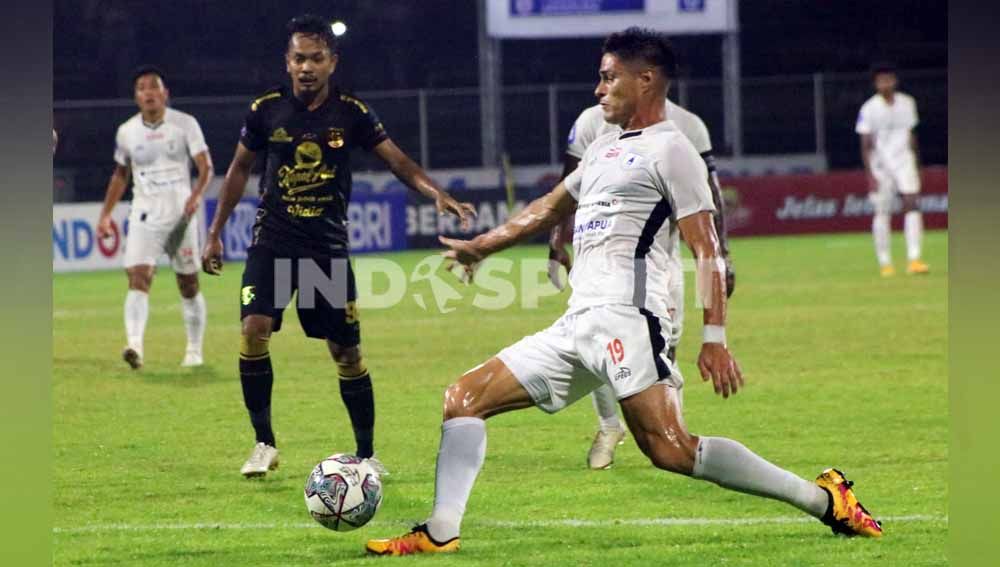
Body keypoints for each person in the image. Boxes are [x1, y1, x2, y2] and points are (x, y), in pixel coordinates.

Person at [366, 27, 881, 556]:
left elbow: (706, 249)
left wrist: (716, 337)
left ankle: (826, 501)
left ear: (646, 79)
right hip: (577, 322)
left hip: (631, 318)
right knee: (463, 399)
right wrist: (483, 247)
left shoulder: (673, 150)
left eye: (609, 77)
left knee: (672, 450)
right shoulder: (603, 150)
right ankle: (440, 532)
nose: (599, 89)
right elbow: (548, 207)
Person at [202, 15, 475, 479]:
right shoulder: (266, 110)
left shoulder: (351, 112)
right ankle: (264, 443)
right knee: (253, 328)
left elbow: (398, 160)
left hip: (325, 249)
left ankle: (367, 454)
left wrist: (436, 193)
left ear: (332, 62)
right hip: (272, 243)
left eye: (316, 58)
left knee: (346, 355)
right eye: (298, 59)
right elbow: (238, 170)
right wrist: (215, 231)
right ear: (287, 63)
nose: (306, 67)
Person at [550, 89, 734, 470]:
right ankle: (609, 426)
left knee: (663, 348)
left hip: (662, 262)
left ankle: (670, 437)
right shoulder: (590, 123)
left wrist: (723, 256)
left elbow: (710, 193)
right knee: (597, 341)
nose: (604, 86)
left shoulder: (687, 127)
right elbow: (566, 186)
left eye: (613, 76)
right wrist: (557, 242)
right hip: (602, 259)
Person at [97, 65, 213, 369]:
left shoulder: (185, 124)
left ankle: (194, 350)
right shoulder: (126, 131)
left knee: (188, 283)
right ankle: (134, 346)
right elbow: (120, 175)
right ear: (136, 97)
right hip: (145, 213)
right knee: (138, 276)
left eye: (153, 86)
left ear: (165, 93)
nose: (148, 92)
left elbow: (206, 167)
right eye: (142, 88)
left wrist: (197, 195)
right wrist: (105, 215)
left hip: (181, 214)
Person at [856, 62, 928, 276]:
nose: (885, 83)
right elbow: (865, 143)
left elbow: (911, 135)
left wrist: (917, 163)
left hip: (904, 161)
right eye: (881, 80)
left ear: (895, 81)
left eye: (889, 79)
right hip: (881, 166)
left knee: (912, 203)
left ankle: (914, 259)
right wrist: (870, 175)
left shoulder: (908, 103)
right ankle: (885, 262)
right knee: (882, 211)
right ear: (875, 84)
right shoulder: (869, 108)